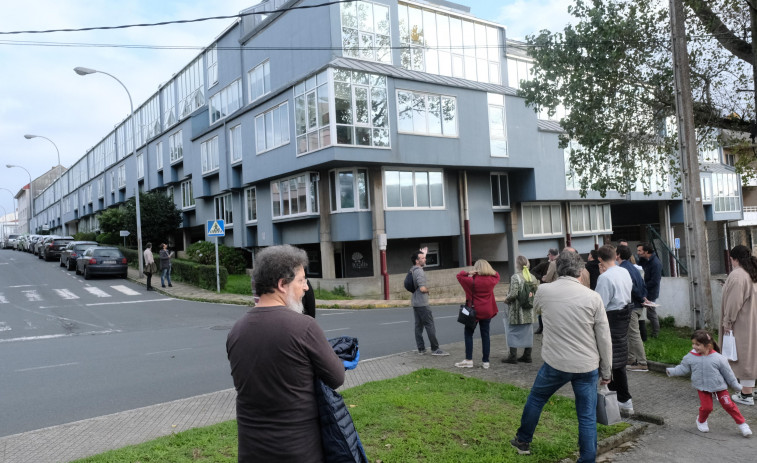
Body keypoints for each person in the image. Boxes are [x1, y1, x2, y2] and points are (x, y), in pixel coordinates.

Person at [226, 245, 345, 462]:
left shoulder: (236, 330)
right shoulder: (304, 327)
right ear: (282, 284)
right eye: (301, 280)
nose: (306, 288)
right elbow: (337, 378)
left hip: (251, 450)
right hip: (298, 449)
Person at [510, 250, 612, 461]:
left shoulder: (544, 291)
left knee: (537, 399)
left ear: (556, 268)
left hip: (555, 362)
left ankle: (523, 440)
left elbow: (537, 310)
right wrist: (607, 370)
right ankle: (587, 458)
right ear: (581, 270)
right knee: (586, 416)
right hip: (587, 364)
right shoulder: (593, 297)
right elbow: (604, 338)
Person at [666, 330, 752, 437]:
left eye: (698, 344)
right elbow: (683, 368)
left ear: (708, 345)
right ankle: (701, 421)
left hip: (719, 387)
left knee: (729, 405)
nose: (694, 346)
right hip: (702, 387)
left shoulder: (719, 358)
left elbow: (729, 374)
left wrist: (736, 386)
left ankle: (742, 424)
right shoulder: (690, 356)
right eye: (693, 343)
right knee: (707, 408)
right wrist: (672, 371)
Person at [594, 245, 634, 414]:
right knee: (618, 360)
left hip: (610, 318)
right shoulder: (623, 271)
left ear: (600, 260)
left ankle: (617, 398)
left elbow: (598, 304)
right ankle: (623, 398)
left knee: (608, 359)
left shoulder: (605, 278)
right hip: (624, 314)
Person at [721, 244, 757, 406]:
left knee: (744, 356)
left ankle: (746, 394)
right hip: (752, 319)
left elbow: (734, 302)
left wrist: (727, 322)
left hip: (742, 322)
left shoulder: (737, 275)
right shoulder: (752, 272)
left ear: (734, 259)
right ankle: (751, 389)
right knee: (753, 354)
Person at [454, 259, 500, 369]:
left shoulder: (471, 281)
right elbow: (497, 274)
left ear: (476, 269)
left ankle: (469, 360)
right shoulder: (492, 280)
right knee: (485, 336)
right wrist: (489, 271)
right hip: (487, 311)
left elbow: (459, 276)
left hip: (473, 312)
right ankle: (486, 362)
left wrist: (468, 273)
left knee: (468, 334)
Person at [410, 248, 448, 356]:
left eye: (425, 258)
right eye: (422, 258)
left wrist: (423, 254)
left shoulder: (412, 269)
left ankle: (421, 349)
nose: (425, 260)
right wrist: (428, 290)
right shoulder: (420, 273)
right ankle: (435, 349)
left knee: (418, 327)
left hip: (415, 303)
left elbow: (420, 267)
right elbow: (422, 288)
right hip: (422, 303)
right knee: (429, 325)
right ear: (417, 261)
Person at [617, 245, 649, 372]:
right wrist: (644, 298)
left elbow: (631, 287)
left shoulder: (623, 269)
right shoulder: (633, 267)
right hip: (638, 304)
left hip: (633, 305)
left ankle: (642, 362)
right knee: (630, 333)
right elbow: (642, 284)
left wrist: (641, 299)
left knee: (634, 334)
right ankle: (630, 359)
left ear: (618, 255)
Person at [502, 256, 537, 364]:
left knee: (512, 332)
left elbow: (513, 294)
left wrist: (507, 299)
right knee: (528, 333)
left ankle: (512, 356)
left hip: (518, 310)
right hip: (529, 311)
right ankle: (527, 356)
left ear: (517, 264)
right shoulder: (532, 277)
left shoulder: (516, 277)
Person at [637, 242, 662, 337]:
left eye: (640, 250)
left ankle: (656, 333)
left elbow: (655, 281)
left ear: (646, 251)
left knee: (651, 313)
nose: (638, 252)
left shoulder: (655, 263)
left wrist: (643, 287)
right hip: (645, 290)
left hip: (651, 292)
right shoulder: (644, 260)